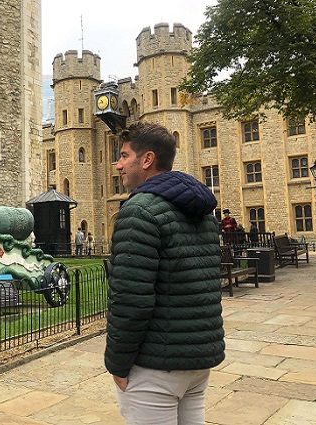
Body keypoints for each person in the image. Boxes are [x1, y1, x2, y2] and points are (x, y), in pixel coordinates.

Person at [105, 122, 224, 425]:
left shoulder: (140, 211)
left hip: (156, 366)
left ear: (146, 160)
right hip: (196, 359)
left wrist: (117, 363)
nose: (117, 165)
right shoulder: (201, 211)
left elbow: (132, 300)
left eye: (123, 156)